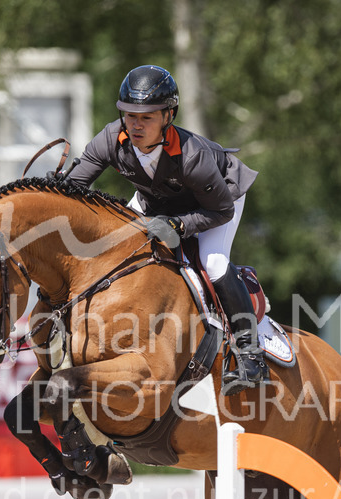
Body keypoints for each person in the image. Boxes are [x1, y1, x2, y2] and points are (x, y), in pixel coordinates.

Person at [68, 65, 267, 395]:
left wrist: (180, 225)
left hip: (218, 201)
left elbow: (221, 210)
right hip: (159, 199)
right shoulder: (110, 139)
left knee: (213, 263)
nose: (135, 125)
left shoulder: (192, 156)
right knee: (120, 249)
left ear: (168, 116)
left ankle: (251, 355)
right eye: (129, 115)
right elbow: (73, 188)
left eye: (146, 118)